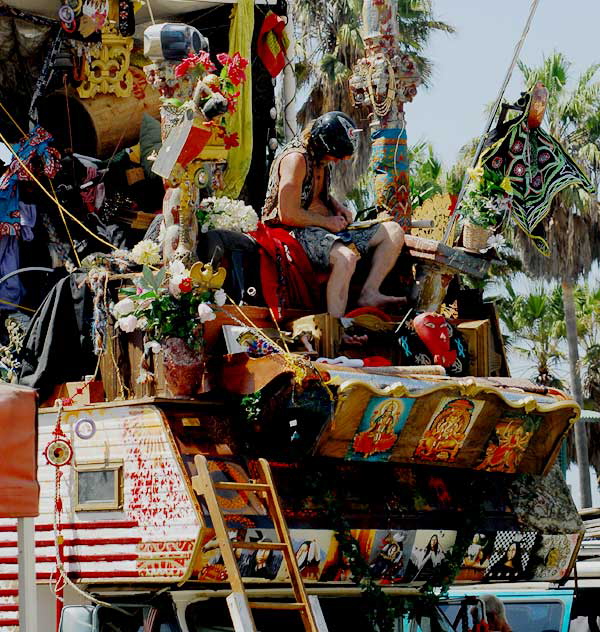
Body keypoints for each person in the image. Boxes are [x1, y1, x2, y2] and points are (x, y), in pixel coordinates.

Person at [262, 111, 406, 318]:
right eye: (336, 156)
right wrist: (328, 222)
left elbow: (314, 191)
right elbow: (288, 214)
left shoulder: (320, 157)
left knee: (392, 231)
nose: (337, 161)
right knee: (346, 258)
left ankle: (369, 292)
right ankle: (336, 326)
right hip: (293, 230)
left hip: (322, 228)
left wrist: (336, 206)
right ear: (322, 145)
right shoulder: (295, 160)